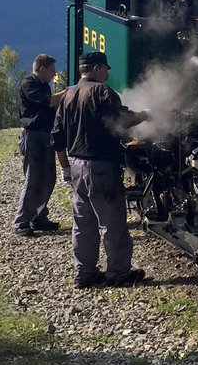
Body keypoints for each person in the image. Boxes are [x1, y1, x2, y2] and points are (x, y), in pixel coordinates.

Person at [51, 51, 151, 288]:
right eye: (106, 68)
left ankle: (84, 273)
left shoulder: (68, 95)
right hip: (101, 168)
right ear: (96, 68)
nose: (108, 72)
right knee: (112, 223)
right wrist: (146, 115)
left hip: (76, 167)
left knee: (83, 224)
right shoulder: (101, 92)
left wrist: (65, 167)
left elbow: (56, 136)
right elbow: (122, 120)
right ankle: (118, 273)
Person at [13, 53, 63, 236]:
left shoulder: (44, 85)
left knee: (48, 178)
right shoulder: (29, 84)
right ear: (41, 69)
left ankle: (39, 216)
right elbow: (48, 102)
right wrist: (70, 92)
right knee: (33, 179)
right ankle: (21, 222)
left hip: (45, 135)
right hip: (33, 136)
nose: (54, 74)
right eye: (51, 70)